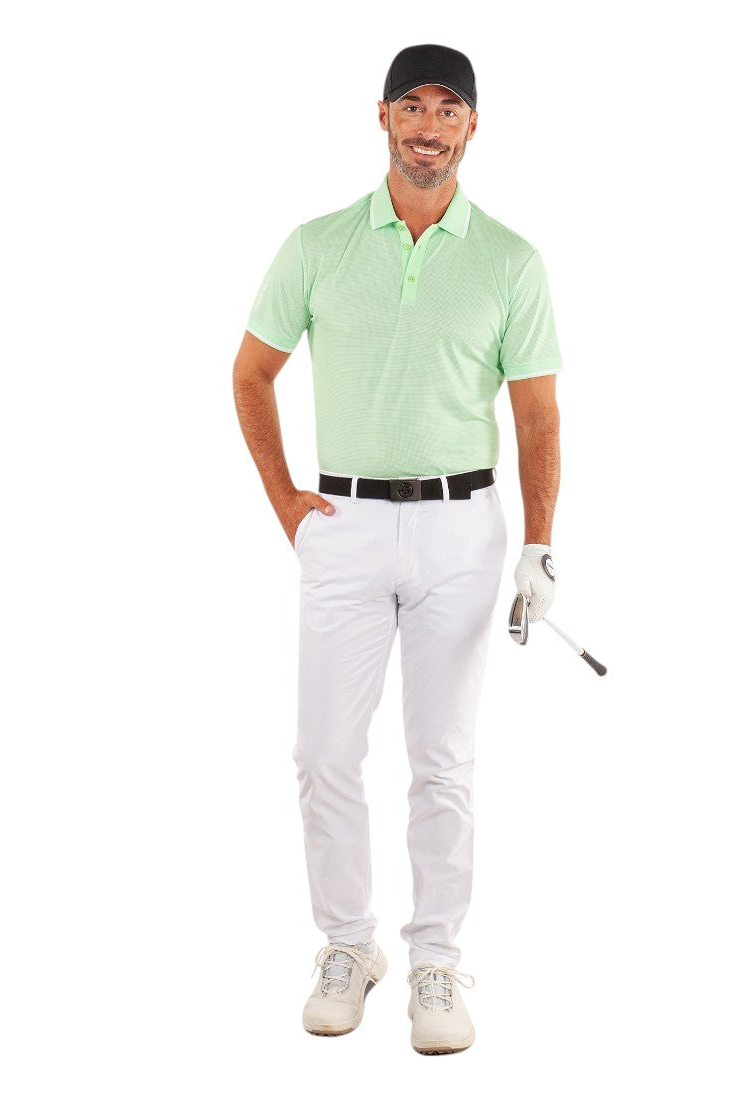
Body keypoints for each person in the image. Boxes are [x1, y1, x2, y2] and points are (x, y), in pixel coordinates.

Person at [232, 43, 563, 1055]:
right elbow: (250, 374)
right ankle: (349, 944)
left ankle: (434, 960)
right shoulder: (318, 245)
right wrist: (288, 505)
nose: (428, 126)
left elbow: (537, 417)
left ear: (472, 127)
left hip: (464, 529)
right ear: (381, 117)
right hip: (344, 525)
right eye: (411, 107)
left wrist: (540, 546)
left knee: (442, 758)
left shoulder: (509, 260)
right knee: (323, 753)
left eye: (447, 109)